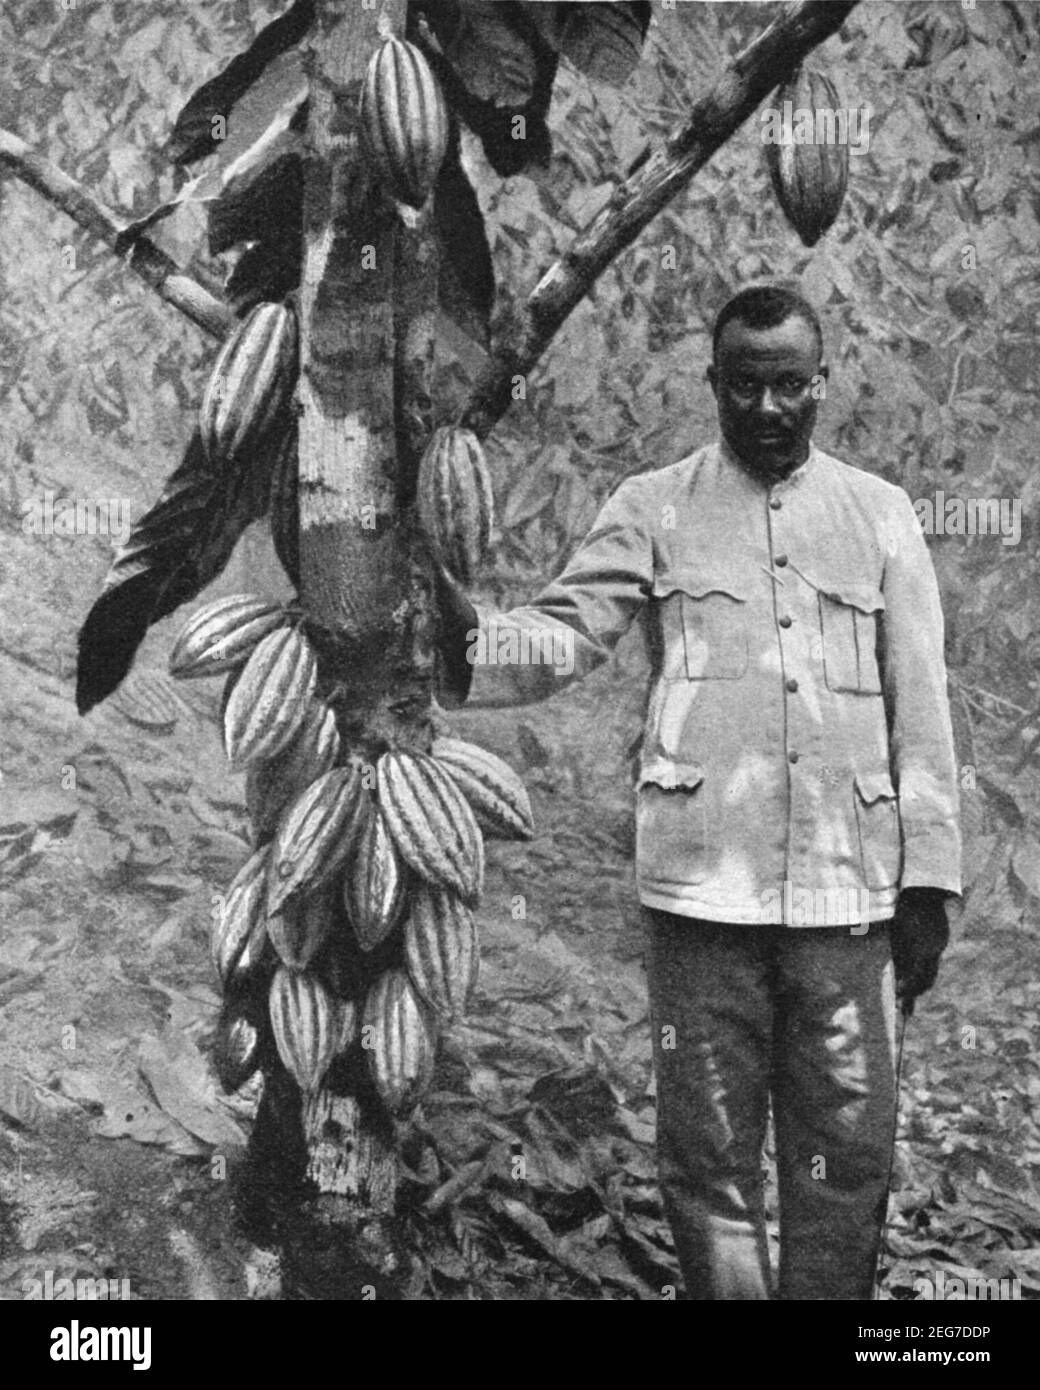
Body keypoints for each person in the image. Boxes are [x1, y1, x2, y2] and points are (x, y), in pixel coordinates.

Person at [451, 284, 961, 1300]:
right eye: (742, 386)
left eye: (786, 386)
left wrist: (927, 885)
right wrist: (435, 631)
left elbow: (922, 711)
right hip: (700, 903)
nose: (765, 409)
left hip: (845, 897)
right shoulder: (654, 505)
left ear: (819, 385)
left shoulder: (878, 516)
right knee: (707, 1164)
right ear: (713, 384)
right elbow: (558, 638)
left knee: (843, 1163)